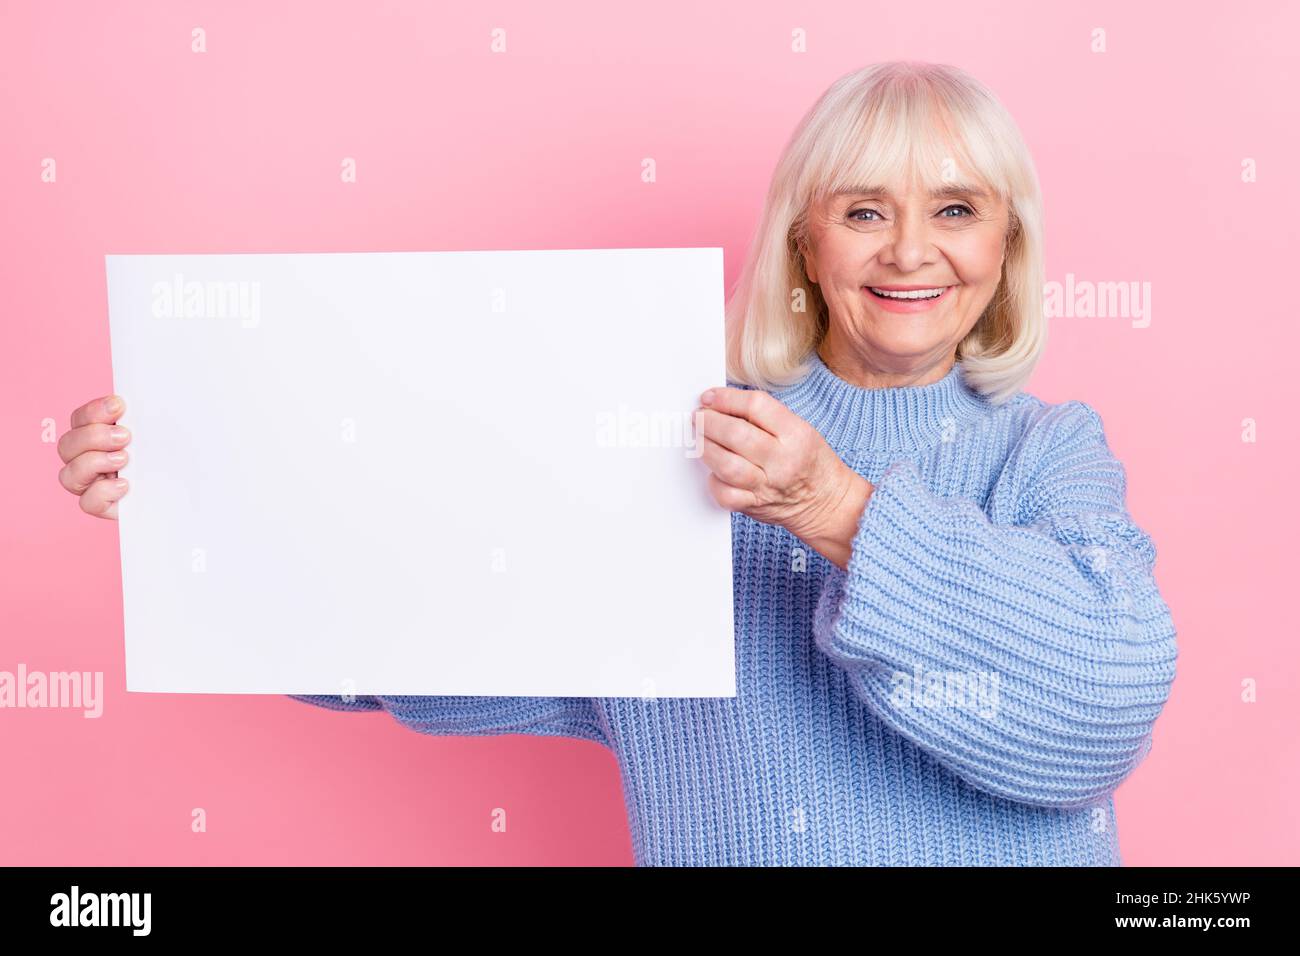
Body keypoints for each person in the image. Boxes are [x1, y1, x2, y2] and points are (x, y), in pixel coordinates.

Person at [56, 60, 1177, 866]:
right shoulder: (676, 435)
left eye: (956, 209)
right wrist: (192, 507)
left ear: (1005, 245)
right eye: (863, 209)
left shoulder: (1046, 450)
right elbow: (425, 627)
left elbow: (1101, 711)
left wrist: (835, 509)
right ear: (805, 237)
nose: (910, 249)